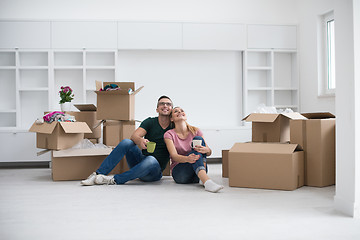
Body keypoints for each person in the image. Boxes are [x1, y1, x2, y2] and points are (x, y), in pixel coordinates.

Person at [81, 95, 173, 186]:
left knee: (151, 159)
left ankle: (114, 180)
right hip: (140, 163)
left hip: (154, 172)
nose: (165, 106)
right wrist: (140, 140)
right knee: (126, 142)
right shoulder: (150, 122)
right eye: (162, 104)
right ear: (157, 109)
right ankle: (98, 174)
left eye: (168, 104)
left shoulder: (174, 126)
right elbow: (134, 136)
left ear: (172, 109)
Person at [164, 107, 223, 193]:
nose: (180, 112)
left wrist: (207, 150)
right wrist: (187, 159)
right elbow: (174, 156)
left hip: (198, 170)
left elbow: (209, 152)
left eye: (182, 111)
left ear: (186, 116)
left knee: (198, 139)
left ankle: (204, 179)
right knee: (195, 153)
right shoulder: (169, 134)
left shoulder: (195, 131)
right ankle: (206, 181)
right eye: (176, 111)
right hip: (181, 174)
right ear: (172, 119)